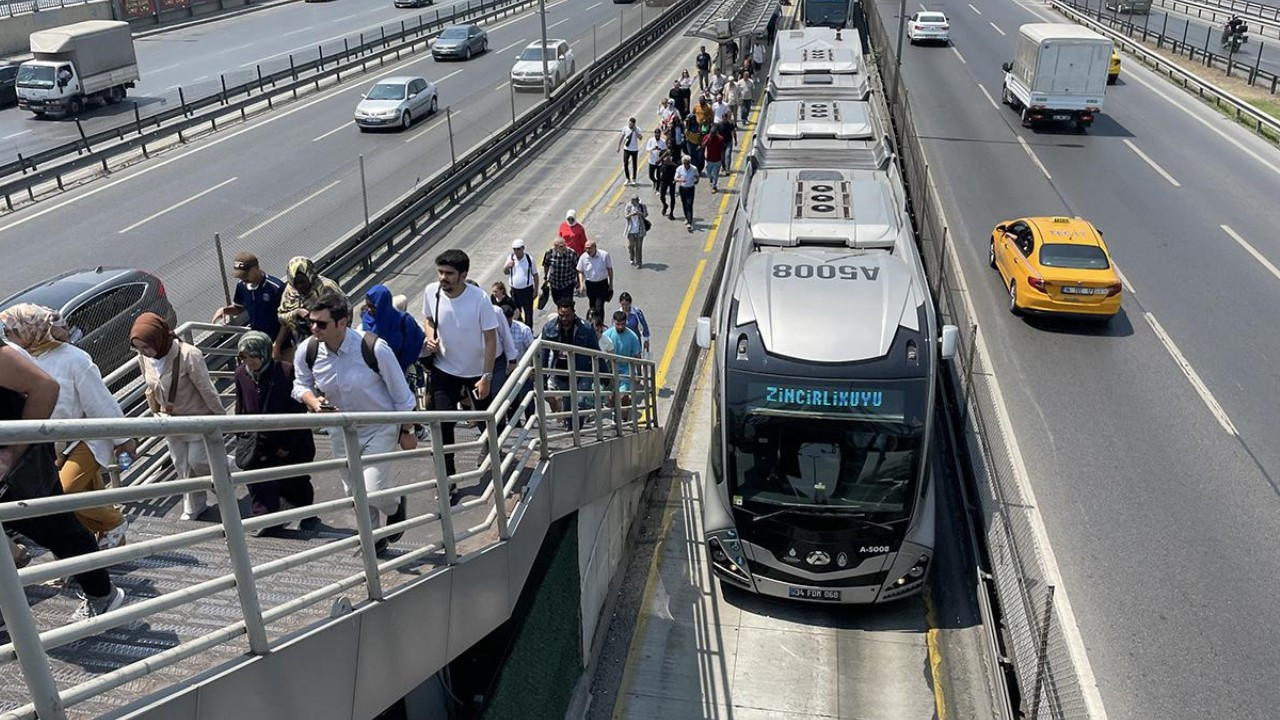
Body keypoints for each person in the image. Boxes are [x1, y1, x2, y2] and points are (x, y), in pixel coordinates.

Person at [0, 338, 127, 624]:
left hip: (21, 467)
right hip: (18, 463)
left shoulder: (72, 359)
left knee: (57, 528)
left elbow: (45, 386)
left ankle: (102, 594)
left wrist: (13, 451)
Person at [293, 291, 415, 553]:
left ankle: (395, 505)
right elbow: (300, 384)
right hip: (341, 430)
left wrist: (407, 429)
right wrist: (313, 401)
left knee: (372, 489)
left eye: (321, 324)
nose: (314, 328)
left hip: (378, 426)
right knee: (354, 492)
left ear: (342, 322)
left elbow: (401, 394)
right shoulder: (308, 350)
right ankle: (374, 539)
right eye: (311, 322)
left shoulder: (373, 348)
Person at [0, 304, 130, 549]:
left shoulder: (74, 359)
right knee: (72, 498)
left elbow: (99, 401)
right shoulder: (21, 359)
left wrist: (123, 439)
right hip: (53, 443)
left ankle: (114, 523)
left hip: (83, 438)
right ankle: (100, 542)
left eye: (11, 332)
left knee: (67, 493)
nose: (6, 338)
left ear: (30, 330)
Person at [132, 312, 224, 521]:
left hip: (197, 419)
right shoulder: (143, 358)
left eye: (146, 347)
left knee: (198, 461)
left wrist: (221, 419)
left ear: (158, 339)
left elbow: (207, 390)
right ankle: (194, 505)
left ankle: (227, 477)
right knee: (182, 464)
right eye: (137, 348)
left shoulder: (189, 355)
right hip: (170, 421)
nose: (142, 352)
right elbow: (152, 387)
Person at [420, 250, 499, 490]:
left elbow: (491, 339)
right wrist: (430, 336)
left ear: (463, 275)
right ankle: (448, 479)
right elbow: (428, 319)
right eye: (440, 272)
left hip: (476, 373)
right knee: (443, 425)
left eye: (449, 273)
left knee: (488, 420)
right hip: (444, 370)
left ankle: (494, 457)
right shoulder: (431, 292)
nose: (443, 278)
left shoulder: (479, 299)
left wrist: (486, 376)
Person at [232, 331, 317, 536]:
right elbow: (240, 406)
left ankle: (307, 515)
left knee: (295, 480)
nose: (249, 361)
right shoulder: (241, 373)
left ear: (264, 353)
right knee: (258, 478)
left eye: (254, 355)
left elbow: (297, 410)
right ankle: (264, 519)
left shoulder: (286, 371)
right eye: (244, 356)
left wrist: (287, 445)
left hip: (290, 439)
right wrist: (241, 434)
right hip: (258, 439)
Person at [539, 298, 601, 425]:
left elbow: (596, 352)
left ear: (573, 312)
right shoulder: (549, 328)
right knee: (567, 407)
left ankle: (576, 429)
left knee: (580, 403)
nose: (564, 319)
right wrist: (542, 378)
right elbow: (544, 355)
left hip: (582, 372)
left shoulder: (586, 328)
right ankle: (571, 430)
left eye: (567, 315)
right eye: (561, 315)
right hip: (562, 373)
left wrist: (604, 375)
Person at [275, 256, 342, 363]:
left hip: (331, 341)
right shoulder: (290, 292)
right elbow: (282, 317)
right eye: (295, 282)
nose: (299, 286)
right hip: (304, 343)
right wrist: (296, 313)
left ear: (310, 276)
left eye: (302, 281)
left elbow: (345, 311)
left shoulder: (326, 287)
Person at [212, 252, 285, 339]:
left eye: (245, 275)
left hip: (281, 341)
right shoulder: (242, 285)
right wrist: (224, 310)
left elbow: (288, 320)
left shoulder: (276, 288)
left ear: (256, 268)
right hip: (259, 339)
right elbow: (238, 308)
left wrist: (277, 344)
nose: (243, 278)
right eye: (241, 276)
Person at [361, 284, 426, 374]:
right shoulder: (366, 319)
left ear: (383, 305)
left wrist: (397, 373)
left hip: (401, 371)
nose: (369, 310)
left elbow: (410, 350)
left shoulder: (404, 321)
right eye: (367, 305)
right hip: (375, 373)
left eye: (373, 307)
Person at [601, 310, 643, 421]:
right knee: (611, 397)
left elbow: (637, 356)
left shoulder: (633, 337)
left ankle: (624, 420)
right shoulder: (607, 335)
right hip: (611, 369)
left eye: (623, 324)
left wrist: (639, 374)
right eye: (617, 324)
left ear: (626, 322)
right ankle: (616, 415)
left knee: (623, 395)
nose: (620, 327)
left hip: (626, 370)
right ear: (613, 322)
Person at [502, 303, 537, 423]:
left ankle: (530, 420)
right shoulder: (496, 329)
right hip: (505, 370)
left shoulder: (523, 330)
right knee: (509, 400)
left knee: (526, 396)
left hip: (522, 370)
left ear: (511, 318)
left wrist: (532, 369)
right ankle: (514, 423)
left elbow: (533, 350)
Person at [577, 240, 614, 324]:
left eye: (589, 248)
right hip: (590, 284)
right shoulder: (583, 257)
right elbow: (580, 271)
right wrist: (582, 284)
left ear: (595, 247)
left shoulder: (604, 255)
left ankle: (600, 325)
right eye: (586, 248)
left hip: (602, 284)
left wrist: (611, 283)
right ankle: (592, 324)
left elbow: (609, 269)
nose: (587, 250)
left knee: (599, 306)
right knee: (592, 306)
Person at [504, 238, 539, 325]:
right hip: (514, 290)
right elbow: (505, 272)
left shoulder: (529, 259)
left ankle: (529, 329)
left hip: (527, 290)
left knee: (528, 313)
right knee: (516, 312)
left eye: (518, 249)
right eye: (514, 249)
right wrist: (507, 266)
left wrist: (536, 290)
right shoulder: (511, 258)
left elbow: (535, 275)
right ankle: (519, 328)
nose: (516, 251)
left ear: (523, 248)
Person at [542, 236, 579, 307]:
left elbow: (577, 267)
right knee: (557, 302)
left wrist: (578, 281)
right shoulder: (549, 253)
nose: (564, 248)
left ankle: (569, 312)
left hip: (568, 283)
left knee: (567, 303)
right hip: (555, 283)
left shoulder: (571, 253)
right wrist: (545, 277)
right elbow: (546, 265)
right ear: (555, 247)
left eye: (564, 245)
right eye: (561, 246)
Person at [617, 292, 651, 357]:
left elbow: (644, 326)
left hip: (635, 342)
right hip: (622, 342)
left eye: (626, 304)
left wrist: (646, 340)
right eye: (622, 304)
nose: (624, 307)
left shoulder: (637, 313)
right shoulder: (617, 314)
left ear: (630, 303)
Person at [675, 155, 700, 231]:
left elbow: (697, 176)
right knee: (684, 204)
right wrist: (681, 180)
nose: (686, 165)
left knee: (689, 204)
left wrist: (696, 180)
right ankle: (687, 217)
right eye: (685, 163)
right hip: (682, 188)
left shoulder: (694, 169)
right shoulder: (679, 169)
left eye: (688, 163)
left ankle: (689, 222)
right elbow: (675, 178)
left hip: (690, 188)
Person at [624, 195, 649, 267]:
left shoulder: (642, 206)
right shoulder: (628, 206)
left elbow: (646, 214)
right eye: (631, 200)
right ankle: (632, 257)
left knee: (639, 247)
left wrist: (639, 213)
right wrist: (631, 214)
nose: (632, 202)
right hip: (630, 230)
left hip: (640, 230)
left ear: (637, 201)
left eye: (634, 201)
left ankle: (639, 262)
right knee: (631, 246)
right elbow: (626, 216)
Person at [616, 117, 643, 186]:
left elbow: (640, 138)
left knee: (634, 165)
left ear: (634, 124)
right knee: (625, 164)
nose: (630, 125)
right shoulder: (625, 128)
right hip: (626, 149)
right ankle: (627, 178)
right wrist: (619, 147)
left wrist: (635, 131)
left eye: (632, 124)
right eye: (629, 123)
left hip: (634, 149)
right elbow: (622, 137)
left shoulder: (637, 129)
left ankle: (634, 179)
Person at [702, 125, 726, 193]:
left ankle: (714, 186)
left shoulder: (721, 139)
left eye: (713, 134)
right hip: (708, 159)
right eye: (711, 133)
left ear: (716, 133)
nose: (711, 135)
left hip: (717, 160)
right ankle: (711, 180)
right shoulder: (706, 137)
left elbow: (722, 150)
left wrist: (723, 162)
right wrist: (707, 140)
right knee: (708, 173)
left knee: (715, 174)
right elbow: (702, 146)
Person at [657, 148, 678, 220]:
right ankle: (665, 205)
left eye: (670, 144)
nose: (669, 145)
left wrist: (672, 163)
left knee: (672, 196)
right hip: (664, 178)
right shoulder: (663, 152)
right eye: (668, 143)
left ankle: (671, 213)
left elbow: (679, 165)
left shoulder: (675, 154)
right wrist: (665, 155)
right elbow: (657, 162)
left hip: (672, 178)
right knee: (662, 195)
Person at [644, 127, 666, 192]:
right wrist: (652, 149)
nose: (657, 135)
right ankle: (655, 181)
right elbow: (647, 150)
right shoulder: (651, 140)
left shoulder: (663, 141)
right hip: (652, 161)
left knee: (658, 176)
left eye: (658, 134)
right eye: (656, 134)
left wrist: (660, 150)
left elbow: (665, 150)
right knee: (651, 176)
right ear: (654, 134)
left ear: (660, 134)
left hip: (659, 162)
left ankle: (657, 189)